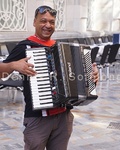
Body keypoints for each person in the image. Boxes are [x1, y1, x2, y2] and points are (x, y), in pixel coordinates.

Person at [0, 5, 99, 150]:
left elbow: (81, 80)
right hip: (38, 119)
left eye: (51, 22)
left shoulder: (60, 48)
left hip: (63, 118)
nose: (47, 25)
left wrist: (92, 77)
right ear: (34, 22)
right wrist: (13, 65)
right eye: (43, 21)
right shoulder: (25, 47)